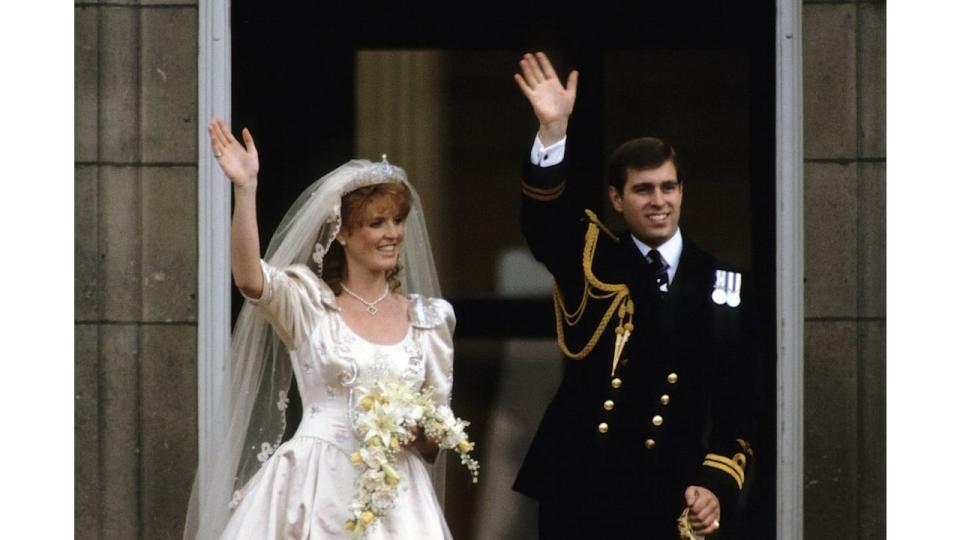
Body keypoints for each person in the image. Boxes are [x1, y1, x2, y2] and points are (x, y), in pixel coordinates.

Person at [511, 52, 759, 539]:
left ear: (683, 192)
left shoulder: (723, 284)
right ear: (617, 199)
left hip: (669, 493)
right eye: (644, 190)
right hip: (583, 489)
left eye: (669, 187)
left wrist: (715, 486)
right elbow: (543, 224)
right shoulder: (591, 256)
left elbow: (738, 406)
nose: (659, 201)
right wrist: (552, 131)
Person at [183, 120, 456, 539]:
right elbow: (250, 280)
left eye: (397, 220)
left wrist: (412, 429)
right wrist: (246, 189)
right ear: (343, 232)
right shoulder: (309, 304)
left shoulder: (429, 320)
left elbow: (433, 440)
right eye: (377, 223)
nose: (393, 234)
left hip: (397, 501)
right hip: (315, 486)